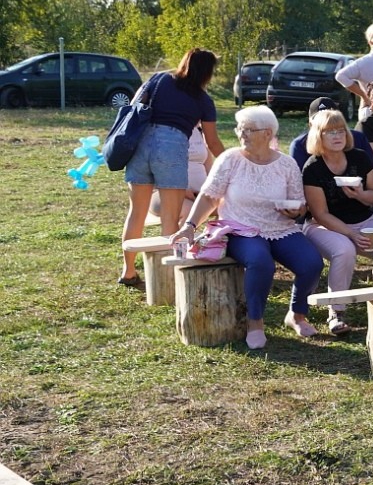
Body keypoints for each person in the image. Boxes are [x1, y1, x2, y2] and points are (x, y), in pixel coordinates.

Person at [170, 106, 323, 349]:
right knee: (260, 262)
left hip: (280, 228)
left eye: (249, 129)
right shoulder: (230, 159)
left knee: (311, 263)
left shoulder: (287, 164)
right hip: (240, 227)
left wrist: (295, 212)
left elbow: (300, 205)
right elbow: (210, 197)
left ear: (268, 133)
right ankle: (255, 323)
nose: (242, 134)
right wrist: (189, 226)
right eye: (240, 128)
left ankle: (296, 314)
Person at [120, 48, 225, 289]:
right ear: (207, 73)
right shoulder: (203, 100)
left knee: (136, 212)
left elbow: (135, 106)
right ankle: (169, 280)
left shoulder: (160, 79)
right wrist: (234, 159)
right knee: (171, 218)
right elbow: (212, 142)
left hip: (140, 148)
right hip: (171, 150)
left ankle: (128, 271)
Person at [301, 110, 373, 335]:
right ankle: (336, 313)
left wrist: (359, 195)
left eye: (340, 130)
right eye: (329, 132)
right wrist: (350, 233)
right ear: (318, 135)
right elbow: (320, 214)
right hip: (324, 226)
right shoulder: (312, 167)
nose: (337, 136)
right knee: (345, 250)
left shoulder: (359, 157)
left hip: (364, 221)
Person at [149, 122, 215, 225]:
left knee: (227, 205)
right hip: (166, 192)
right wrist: (182, 190)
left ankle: (218, 238)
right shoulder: (164, 133)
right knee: (189, 211)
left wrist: (211, 190)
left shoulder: (199, 132)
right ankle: (181, 240)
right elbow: (158, 171)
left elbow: (210, 169)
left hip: (200, 194)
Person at [288, 97, 373, 170]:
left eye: (333, 119)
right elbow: (298, 182)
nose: (337, 136)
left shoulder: (358, 138)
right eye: (321, 121)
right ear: (311, 124)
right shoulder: (299, 145)